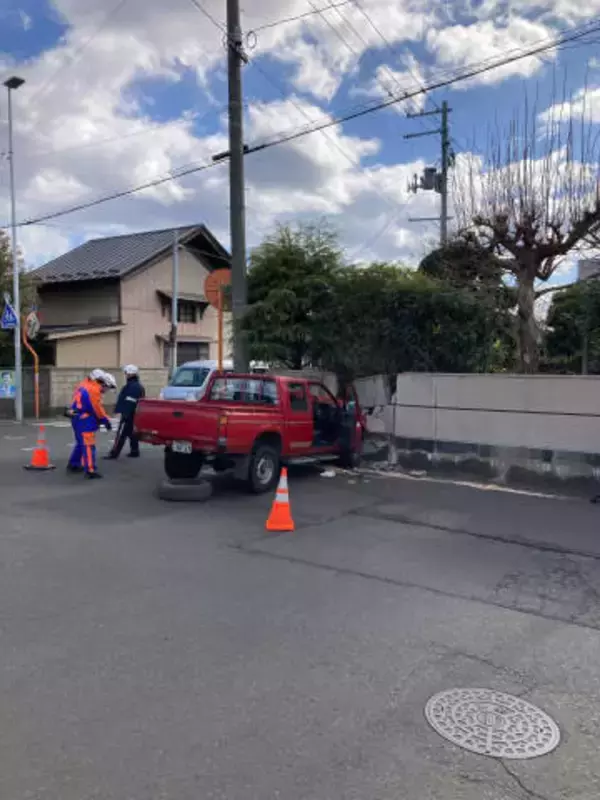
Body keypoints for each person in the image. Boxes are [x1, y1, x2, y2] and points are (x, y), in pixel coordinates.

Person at [67, 369, 113, 479]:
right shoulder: (94, 390)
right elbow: (96, 408)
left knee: (80, 442)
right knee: (88, 445)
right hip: (85, 419)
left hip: (76, 417)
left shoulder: (84, 384)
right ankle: (90, 470)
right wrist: (105, 420)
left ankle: (74, 463)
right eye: (107, 387)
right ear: (102, 382)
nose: (106, 390)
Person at [105, 365, 145, 460]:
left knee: (121, 434)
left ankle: (114, 453)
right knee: (132, 433)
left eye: (126, 373)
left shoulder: (131, 386)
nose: (125, 374)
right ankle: (135, 451)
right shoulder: (137, 386)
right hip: (134, 414)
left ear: (131, 374)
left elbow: (129, 401)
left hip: (128, 414)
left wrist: (123, 413)